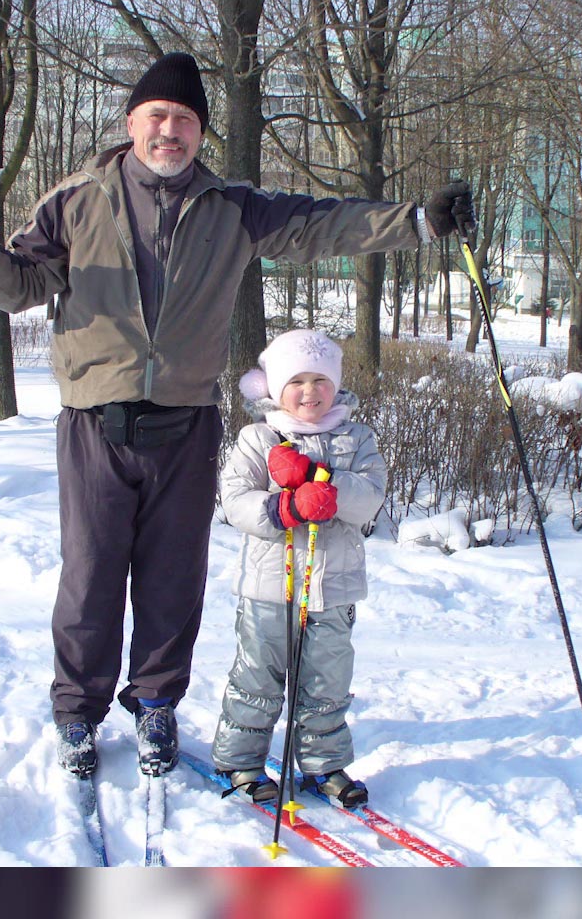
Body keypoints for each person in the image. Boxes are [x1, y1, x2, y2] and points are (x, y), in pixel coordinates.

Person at [0, 52, 475, 778]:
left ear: (199, 133)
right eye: (157, 116)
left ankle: (156, 705)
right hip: (96, 423)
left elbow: (323, 226)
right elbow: (19, 285)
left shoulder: (232, 208)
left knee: (173, 578)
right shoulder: (78, 200)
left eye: (184, 120)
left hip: (185, 424)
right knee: (89, 576)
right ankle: (77, 714)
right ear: (132, 123)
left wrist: (418, 222)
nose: (170, 131)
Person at [210, 328, 385, 808]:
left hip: (334, 586)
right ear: (274, 388)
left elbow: (371, 495)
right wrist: (280, 509)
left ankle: (323, 765)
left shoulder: (356, 436)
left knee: (327, 681)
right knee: (258, 676)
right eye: (297, 382)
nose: (310, 392)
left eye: (320, 380)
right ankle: (241, 760)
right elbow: (236, 499)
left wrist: (331, 492)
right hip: (270, 586)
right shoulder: (257, 438)